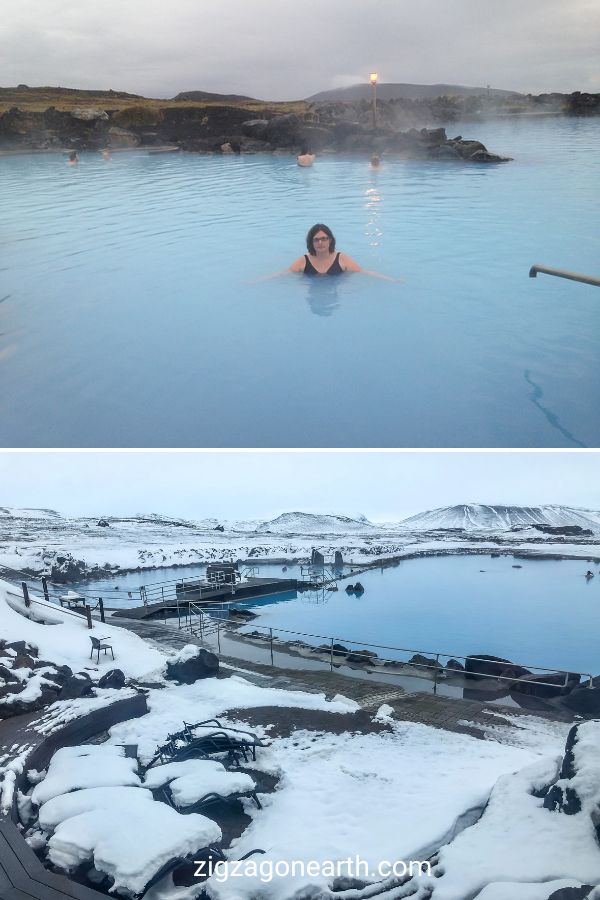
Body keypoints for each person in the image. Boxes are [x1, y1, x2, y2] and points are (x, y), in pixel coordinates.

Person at [289, 224, 396, 280]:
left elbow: (363, 272)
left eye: (324, 238)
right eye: (316, 240)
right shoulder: (304, 260)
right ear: (311, 242)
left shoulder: (341, 258)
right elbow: (285, 274)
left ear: (330, 240)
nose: (320, 242)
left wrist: (390, 279)